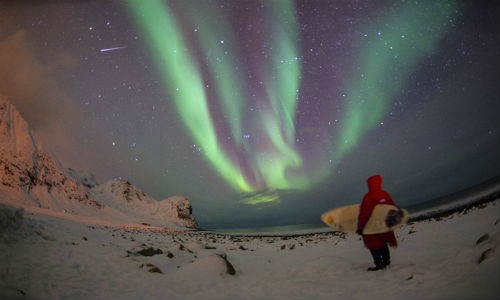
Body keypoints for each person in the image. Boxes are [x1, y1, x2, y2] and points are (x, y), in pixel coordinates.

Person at [356, 175, 398, 271]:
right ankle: (386, 261)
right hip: (383, 224)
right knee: (383, 242)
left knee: (373, 245)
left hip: (371, 225)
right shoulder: (385, 194)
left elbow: (364, 213)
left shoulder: (368, 197)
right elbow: (392, 207)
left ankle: (379, 264)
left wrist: (360, 227)